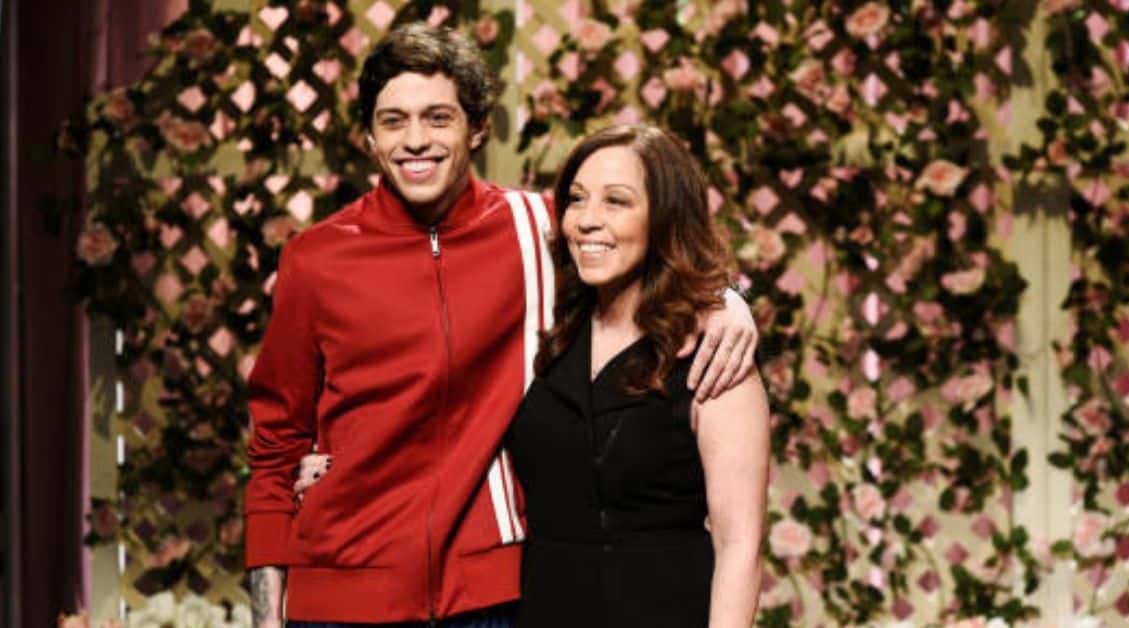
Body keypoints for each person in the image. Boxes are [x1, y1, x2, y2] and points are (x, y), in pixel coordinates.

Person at [244, 24, 759, 628]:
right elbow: (276, 442)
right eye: (393, 121)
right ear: (369, 136)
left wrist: (727, 299)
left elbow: (650, 244)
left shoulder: (539, 229)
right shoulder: (316, 258)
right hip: (342, 599)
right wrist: (266, 613)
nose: (416, 140)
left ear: (477, 128)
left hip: (490, 601)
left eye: (438, 118)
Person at [505, 125, 769, 627]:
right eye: (577, 199)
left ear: (665, 218)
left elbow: (740, 545)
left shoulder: (715, 356)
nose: (588, 220)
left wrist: (727, 300)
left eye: (616, 201)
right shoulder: (552, 328)